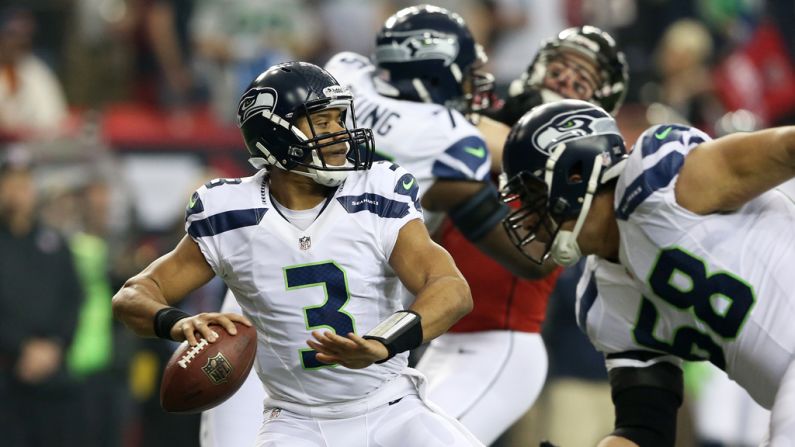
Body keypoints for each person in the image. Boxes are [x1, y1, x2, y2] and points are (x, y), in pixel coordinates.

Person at [112, 61, 484, 447]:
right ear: (273, 134)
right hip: (295, 424)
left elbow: (452, 289)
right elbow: (132, 296)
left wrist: (382, 343)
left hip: (391, 407)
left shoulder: (376, 191)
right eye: (323, 123)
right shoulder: (229, 214)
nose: (340, 134)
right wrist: (176, 323)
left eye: (340, 119)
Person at [499, 98, 795, 446]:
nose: (529, 218)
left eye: (533, 195)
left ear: (573, 174)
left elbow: (787, 147)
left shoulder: (660, 180)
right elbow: (645, 430)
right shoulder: (601, 301)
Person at [321, 6, 554, 443]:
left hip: (342, 312)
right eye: (466, 71)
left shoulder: (344, 75)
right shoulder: (447, 138)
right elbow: (533, 259)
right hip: (370, 323)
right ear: (436, 74)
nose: (474, 82)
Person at [0, 145, 85, 446]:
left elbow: (73, 298)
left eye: (23, 184)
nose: (16, 192)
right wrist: (21, 348)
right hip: (7, 376)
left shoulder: (54, 244)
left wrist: (55, 346)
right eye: (9, 183)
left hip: (52, 377)